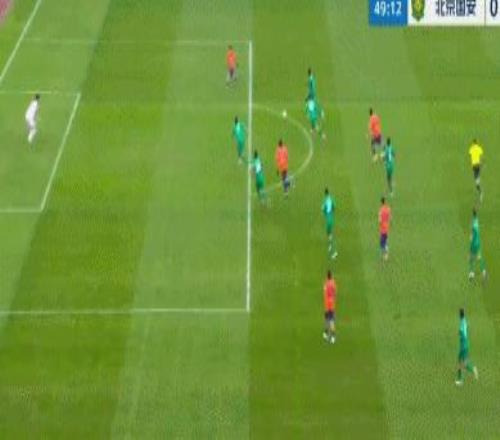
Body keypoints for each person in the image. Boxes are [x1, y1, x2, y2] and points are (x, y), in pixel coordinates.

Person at [455, 308, 479, 386]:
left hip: (464, 346)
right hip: (464, 345)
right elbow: (466, 328)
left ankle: (472, 370)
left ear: (459, 315)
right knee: (459, 362)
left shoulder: (462, 323)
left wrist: (459, 332)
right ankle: (460, 379)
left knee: (463, 364)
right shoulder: (464, 321)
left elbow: (462, 332)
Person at [468, 208, 487, 281]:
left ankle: (471, 273)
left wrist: (471, 237)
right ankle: (484, 271)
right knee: (479, 257)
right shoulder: (476, 220)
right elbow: (475, 219)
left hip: (474, 243)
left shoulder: (473, 225)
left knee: (471, 258)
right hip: (478, 242)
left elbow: (472, 234)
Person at [322, 188, 337, 259]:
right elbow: (334, 207)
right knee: (329, 234)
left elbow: (323, 209)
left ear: (325, 193)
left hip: (328, 219)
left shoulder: (325, 200)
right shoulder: (331, 199)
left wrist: (324, 213)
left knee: (330, 235)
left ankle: (334, 252)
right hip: (331, 218)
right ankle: (330, 247)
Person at [323, 270, 337, 344]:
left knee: (326, 320)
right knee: (331, 321)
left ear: (327, 276)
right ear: (331, 276)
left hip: (327, 305)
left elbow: (324, 291)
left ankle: (326, 333)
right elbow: (335, 293)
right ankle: (332, 336)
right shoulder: (333, 283)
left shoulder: (325, 283)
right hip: (332, 305)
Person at [379, 196, 391, 261]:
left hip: (382, 228)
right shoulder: (388, 209)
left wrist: (381, 226)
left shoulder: (381, 210)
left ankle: (385, 254)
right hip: (387, 227)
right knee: (385, 241)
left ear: (381, 202)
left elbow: (380, 220)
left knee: (382, 242)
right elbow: (390, 218)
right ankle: (385, 254)